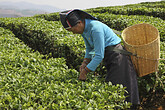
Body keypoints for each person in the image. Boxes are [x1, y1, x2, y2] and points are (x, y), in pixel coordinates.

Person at [59, 9, 140, 109]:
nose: (72, 33)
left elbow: (99, 55)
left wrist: (85, 72)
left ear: (79, 23)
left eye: (72, 30)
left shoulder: (95, 28)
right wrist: (84, 63)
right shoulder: (84, 30)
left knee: (120, 86)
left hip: (117, 56)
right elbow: (89, 48)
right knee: (115, 86)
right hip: (110, 55)